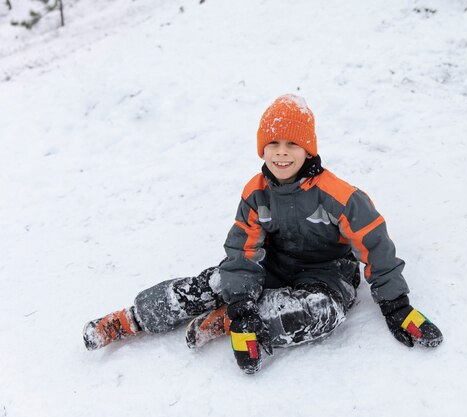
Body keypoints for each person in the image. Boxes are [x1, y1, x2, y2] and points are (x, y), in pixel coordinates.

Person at [83, 94, 443, 374]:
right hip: (274, 263)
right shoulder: (256, 193)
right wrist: (239, 298)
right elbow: (243, 248)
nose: (282, 153)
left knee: (323, 313)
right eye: (273, 145)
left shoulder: (340, 196)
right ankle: (131, 319)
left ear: (308, 150)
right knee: (215, 281)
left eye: (292, 145)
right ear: (263, 149)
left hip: (328, 272)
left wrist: (396, 304)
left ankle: (227, 321)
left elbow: (375, 244)